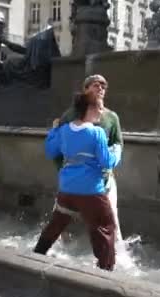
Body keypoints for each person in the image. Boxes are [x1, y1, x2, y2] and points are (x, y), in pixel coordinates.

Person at [34, 92, 122, 271]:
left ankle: (37, 254)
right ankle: (106, 272)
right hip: (91, 191)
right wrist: (117, 150)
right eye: (99, 107)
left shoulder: (65, 130)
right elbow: (107, 162)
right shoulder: (96, 132)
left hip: (67, 189)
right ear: (89, 108)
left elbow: (51, 151)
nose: (101, 111)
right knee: (106, 227)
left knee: (58, 222)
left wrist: (54, 130)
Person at [53, 75, 125, 242]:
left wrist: (109, 166)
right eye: (95, 85)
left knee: (112, 218)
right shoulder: (69, 115)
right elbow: (57, 146)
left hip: (103, 180)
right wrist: (61, 170)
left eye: (103, 86)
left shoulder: (112, 117)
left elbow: (118, 142)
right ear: (85, 90)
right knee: (61, 217)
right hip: (73, 178)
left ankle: (117, 257)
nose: (100, 88)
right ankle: (54, 250)